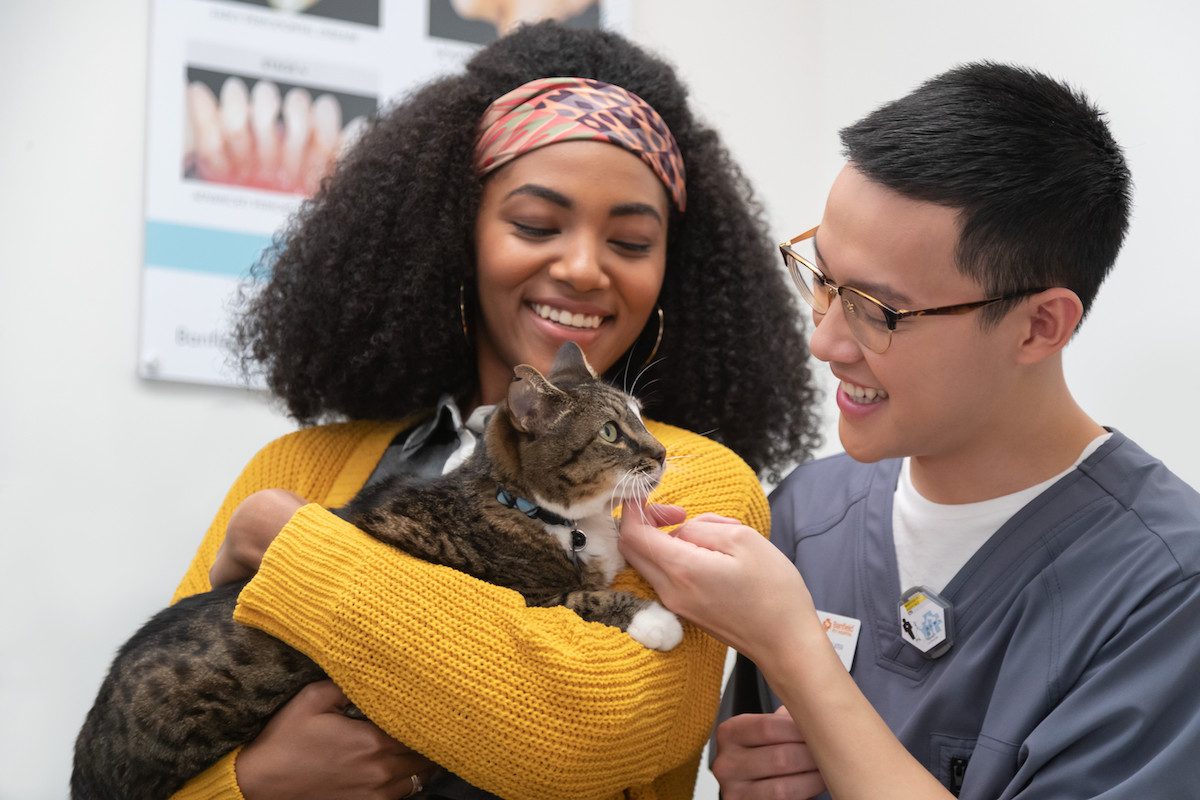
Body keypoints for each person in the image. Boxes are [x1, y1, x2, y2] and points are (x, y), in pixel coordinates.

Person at [164, 20, 821, 800]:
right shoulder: (293, 467)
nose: (581, 268)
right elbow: (153, 741)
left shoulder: (693, 486)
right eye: (536, 225)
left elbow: (578, 733)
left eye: (633, 242)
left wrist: (296, 545)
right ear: (455, 237)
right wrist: (255, 779)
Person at [619, 61, 1200, 799]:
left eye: (877, 311)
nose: (824, 340)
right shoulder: (807, 517)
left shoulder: (1168, 591)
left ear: (1039, 326)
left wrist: (797, 651)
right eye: (822, 279)